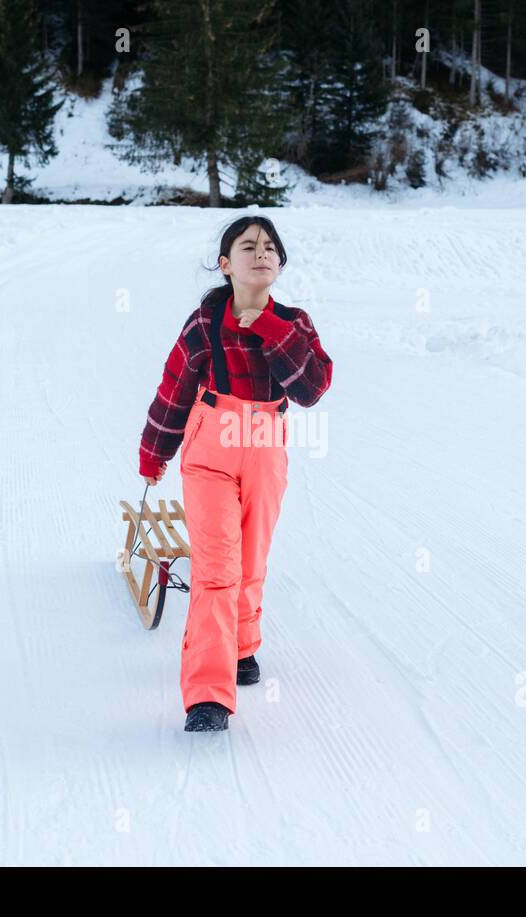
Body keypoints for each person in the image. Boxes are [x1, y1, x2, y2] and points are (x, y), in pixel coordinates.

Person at [138, 216, 333, 732]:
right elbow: (175, 387)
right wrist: (154, 451)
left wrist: (267, 328)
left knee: (252, 560)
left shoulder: (294, 323)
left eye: (270, 247)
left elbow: (311, 388)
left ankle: (243, 648)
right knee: (217, 568)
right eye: (248, 247)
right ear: (226, 265)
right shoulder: (204, 323)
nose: (261, 253)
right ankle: (207, 694)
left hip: (267, 442)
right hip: (212, 446)